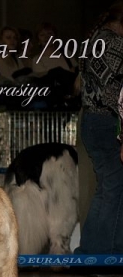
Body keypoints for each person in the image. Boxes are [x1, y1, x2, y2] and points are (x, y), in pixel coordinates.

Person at [75, 1, 123, 255]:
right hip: (106, 121)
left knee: (112, 185)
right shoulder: (114, 43)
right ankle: (93, 253)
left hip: (92, 120)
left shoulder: (94, 40)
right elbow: (111, 91)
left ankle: (109, 252)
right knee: (111, 186)